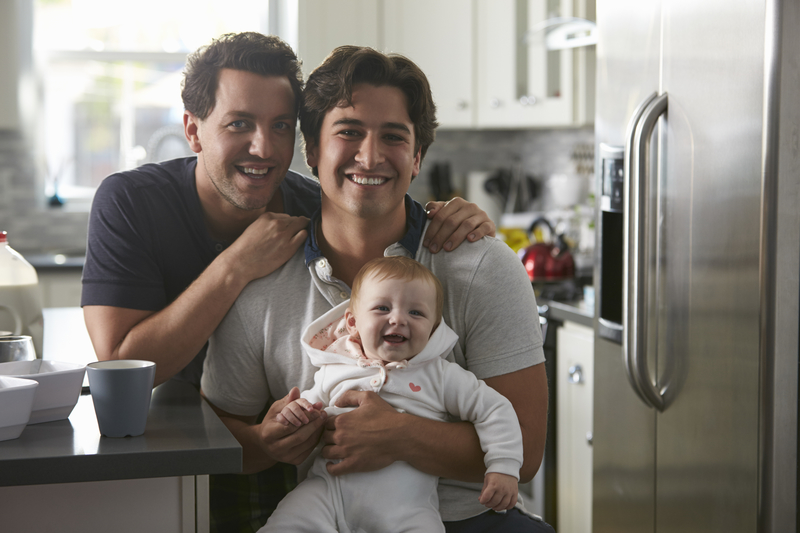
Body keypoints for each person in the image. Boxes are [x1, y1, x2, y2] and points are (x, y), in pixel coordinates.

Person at [80, 32, 497, 532]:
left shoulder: (308, 204)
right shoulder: (131, 201)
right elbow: (122, 366)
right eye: (239, 123)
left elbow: (377, 206)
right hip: (167, 438)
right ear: (193, 130)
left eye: (280, 125)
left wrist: (446, 214)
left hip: (292, 452)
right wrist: (235, 266)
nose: (263, 147)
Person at [200, 44, 552, 532]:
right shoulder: (260, 280)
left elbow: (527, 450)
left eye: (393, 136)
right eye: (348, 132)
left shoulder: (482, 267)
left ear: (417, 156)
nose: (371, 155)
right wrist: (265, 442)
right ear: (312, 150)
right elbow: (217, 441)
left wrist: (401, 435)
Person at [264, 256, 523, 532]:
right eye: (382, 308)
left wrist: (503, 467)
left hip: (405, 509)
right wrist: (295, 414)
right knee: (286, 521)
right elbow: (308, 409)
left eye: (416, 313)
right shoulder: (334, 367)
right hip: (327, 494)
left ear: (433, 329)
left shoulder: (441, 374)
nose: (398, 319)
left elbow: (495, 409)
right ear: (352, 323)